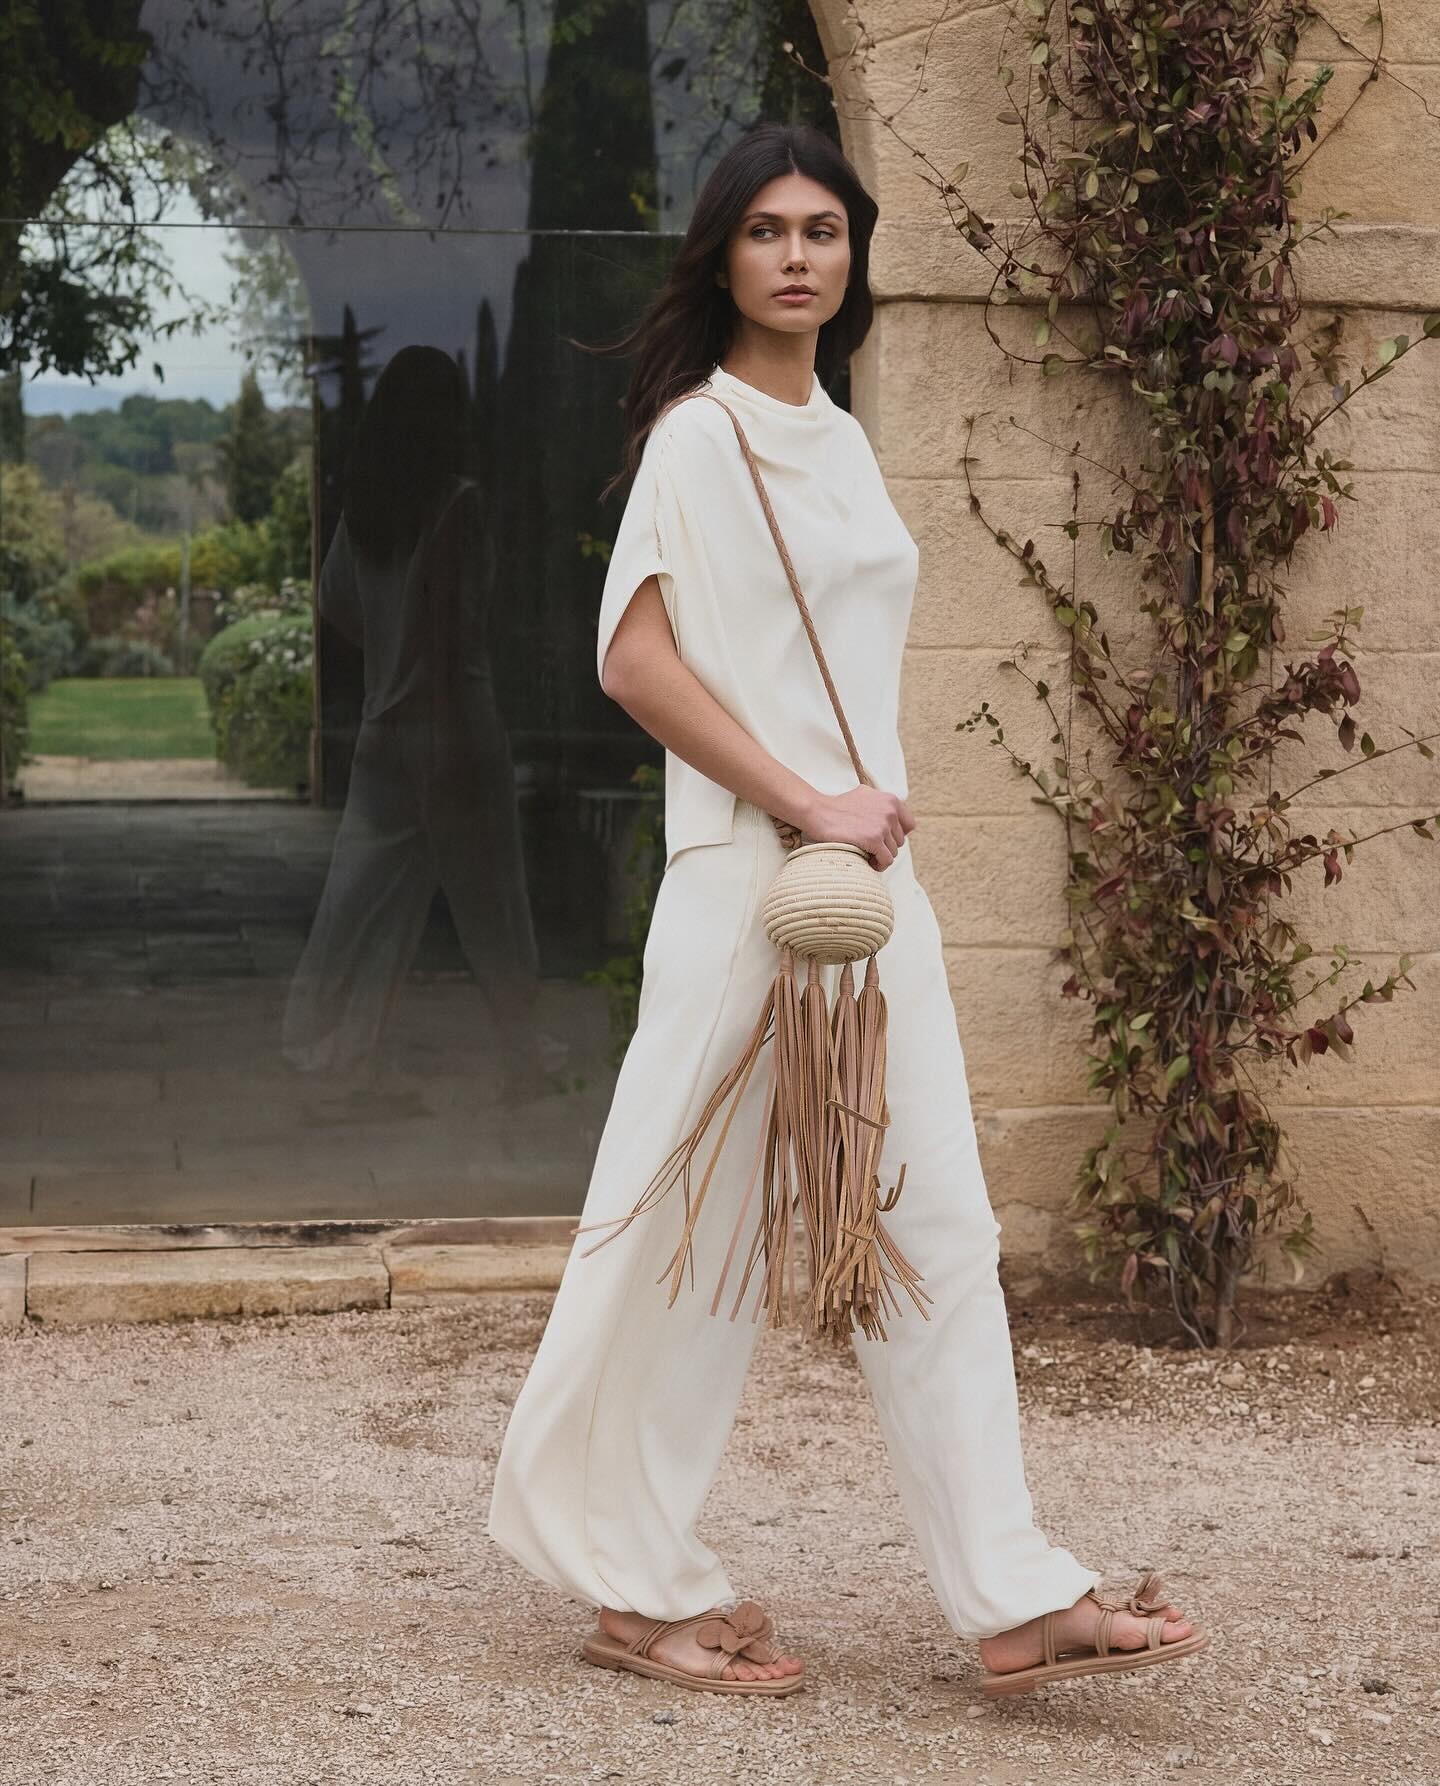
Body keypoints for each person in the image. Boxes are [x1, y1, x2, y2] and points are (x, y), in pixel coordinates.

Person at [487, 123, 1209, 1698]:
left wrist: (852, 820)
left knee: (935, 1224)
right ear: (722, 256)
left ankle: (1008, 1591)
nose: (798, 255)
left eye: (823, 229)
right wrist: (809, 799)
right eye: (767, 230)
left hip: (875, 905)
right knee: (687, 1236)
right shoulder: (699, 436)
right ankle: (632, 1583)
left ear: (853, 254)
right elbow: (634, 658)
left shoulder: (843, 437)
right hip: (751, 885)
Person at [282, 345, 556, 1110]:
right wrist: (453, 741)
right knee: (492, 902)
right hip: (454, 723)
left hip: (385, 730)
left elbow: (336, 603)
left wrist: (387, 655)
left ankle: (335, 1056)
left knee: (361, 903)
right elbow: (445, 636)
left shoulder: (367, 511)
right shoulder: (456, 505)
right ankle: (520, 1059)